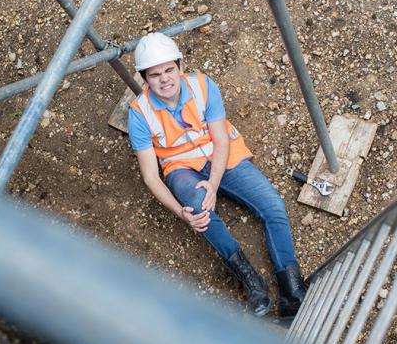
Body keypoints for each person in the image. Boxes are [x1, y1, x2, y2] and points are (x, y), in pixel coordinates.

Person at [128, 32, 307, 319]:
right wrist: (181, 213)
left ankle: (292, 291)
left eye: (169, 70)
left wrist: (213, 183)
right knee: (199, 212)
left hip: (222, 156)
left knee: (273, 206)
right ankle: (251, 281)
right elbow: (151, 176)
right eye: (154, 74)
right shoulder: (139, 112)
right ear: (145, 79)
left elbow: (221, 140)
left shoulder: (202, 86)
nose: (164, 79)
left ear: (180, 66)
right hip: (182, 168)